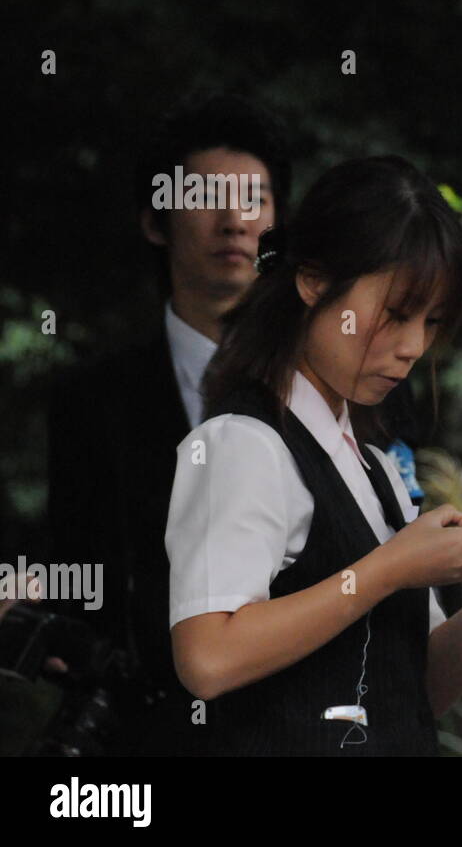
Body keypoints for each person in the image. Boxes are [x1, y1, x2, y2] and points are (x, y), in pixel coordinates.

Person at [161, 155, 462, 755]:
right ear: (314, 282)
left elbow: (418, 690)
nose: (412, 348)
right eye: (396, 314)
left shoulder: (374, 467)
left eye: (431, 322)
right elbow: (208, 658)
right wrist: (387, 570)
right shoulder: (241, 444)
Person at [45, 90, 291, 754]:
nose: (234, 221)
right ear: (156, 221)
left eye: (256, 199)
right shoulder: (89, 400)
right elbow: (73, 562)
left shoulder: (318, 392)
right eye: (207, 196)